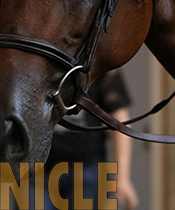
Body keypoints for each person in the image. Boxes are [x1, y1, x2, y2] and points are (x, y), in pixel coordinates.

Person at [44, 69, 139, 210]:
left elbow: (120, 121)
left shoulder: (99, 65)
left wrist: (123, 177)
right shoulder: (37, 62)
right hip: (37, 170)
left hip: (88, 168)